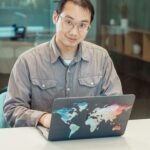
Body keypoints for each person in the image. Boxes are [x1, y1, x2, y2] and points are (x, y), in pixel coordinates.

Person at [4, 0, 122, 128]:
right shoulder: (27, 61)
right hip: (42, 139)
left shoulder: (101, 58)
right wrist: (43, 118)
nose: (74, 32)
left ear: (89, 27)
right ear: (55, 17)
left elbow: (116, 103)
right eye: (68, 22)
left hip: (89, 135)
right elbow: (12, 109)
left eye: (82, 25)